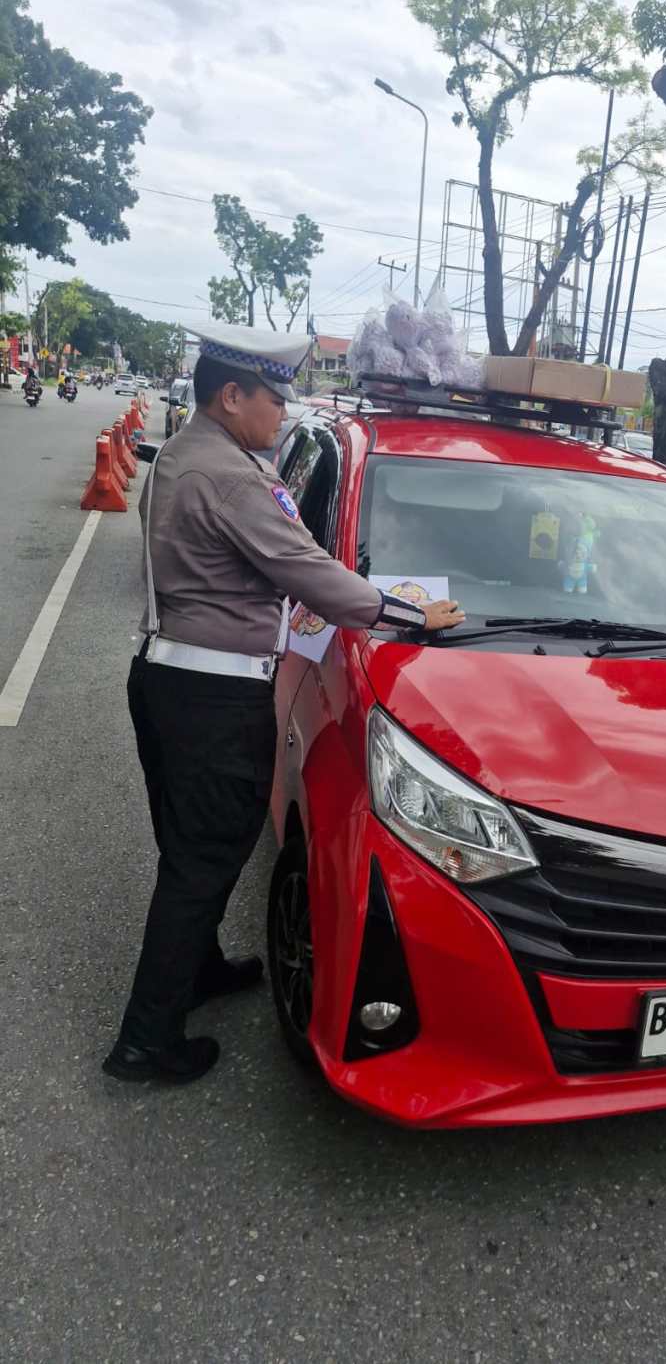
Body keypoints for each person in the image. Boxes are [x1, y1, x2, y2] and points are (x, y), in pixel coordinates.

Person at [103, 323, 465, 1086]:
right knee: (205, 857)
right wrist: (408, 612)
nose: (283, 410)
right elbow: (308, 569)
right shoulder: (235, 476)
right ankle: (145, 1039)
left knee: (191, 851)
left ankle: (196, 968)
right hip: (213, 698)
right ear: (233, 396)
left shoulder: (183, 454)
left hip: (167, 679)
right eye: (275, 396)